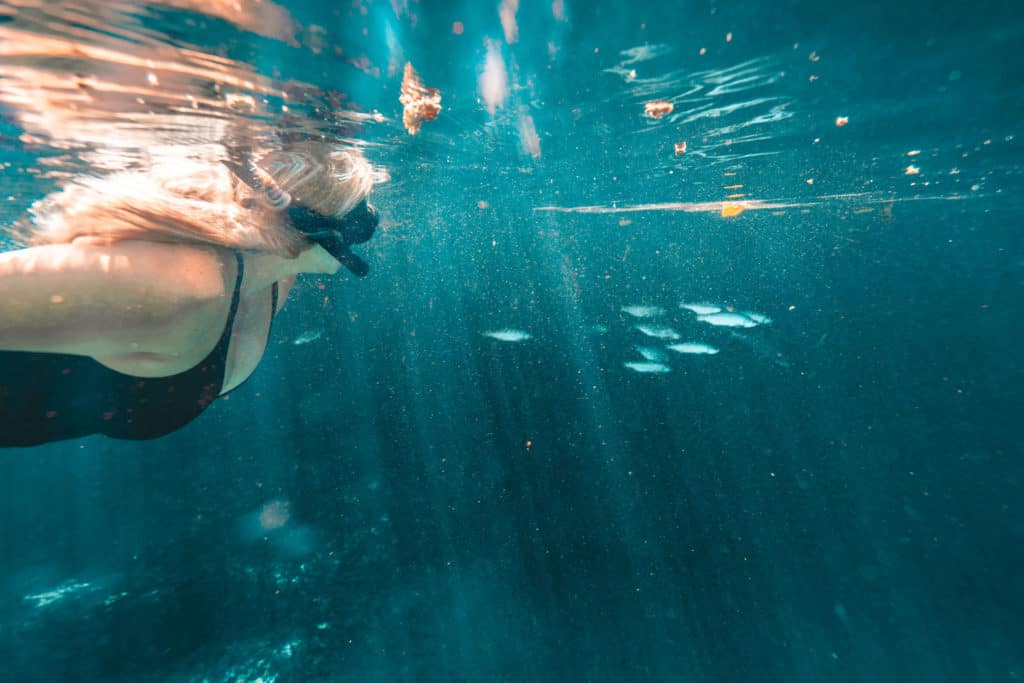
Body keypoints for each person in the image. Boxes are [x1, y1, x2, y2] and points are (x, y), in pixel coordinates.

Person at [0, 144, 379, 447]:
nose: (371, 219)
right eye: (359, 207)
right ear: (316, 227)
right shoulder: (184, 289)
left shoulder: (275, 278)